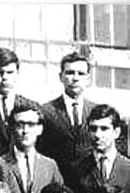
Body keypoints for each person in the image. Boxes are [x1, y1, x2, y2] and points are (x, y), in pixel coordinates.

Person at [0, 102, 64, 193]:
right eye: (20, 124)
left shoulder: (50, 166)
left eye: (31, 124)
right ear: (11, 128)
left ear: (40, 129)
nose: (25, 130)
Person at [36, 52, 96, 185]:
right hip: (56, 186)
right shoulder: (46, 111)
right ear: (61, 77)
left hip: (91, 188)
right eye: (70, 73)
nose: (75, 78)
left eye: (81, 74)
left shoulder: (97, 112)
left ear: (88, 79)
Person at [0, 47, 39, 159]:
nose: (5, 77)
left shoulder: (31, 108)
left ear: (17, 74)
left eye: (10, 72)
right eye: (0, 73)